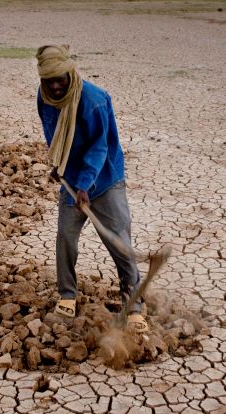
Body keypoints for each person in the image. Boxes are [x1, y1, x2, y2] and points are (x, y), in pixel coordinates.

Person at [35, 44, 147, 332]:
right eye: (50, 81)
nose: (57, 86)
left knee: (118, 241)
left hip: (105, 180)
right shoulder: (44, 98)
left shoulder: (93, 101)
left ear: (70, 73)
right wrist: (60, 165)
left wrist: (85, 183)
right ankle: (67, 297)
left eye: (61, 78)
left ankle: (134, 305)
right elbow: (55, 135)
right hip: (71, 181)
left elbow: (100, 147)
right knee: (65, 237)